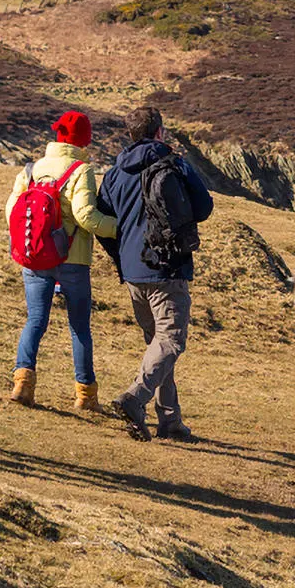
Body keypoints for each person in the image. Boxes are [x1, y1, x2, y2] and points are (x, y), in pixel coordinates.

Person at [96, 106, 212, 441]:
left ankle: (170, 421)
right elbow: (204, 208)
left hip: (133, 271)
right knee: (171, 340)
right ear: (159, 132)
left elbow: (104, 219)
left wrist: (123, 253)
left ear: (129, 134)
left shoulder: (114, 173)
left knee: (157, 344)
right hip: (168, 266)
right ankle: (135, 398)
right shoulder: (173, 164)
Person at [4, 110, 116, 411]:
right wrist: (120, 228)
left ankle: (23, 383)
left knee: (35, 321)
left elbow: (11, 211)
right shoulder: (80, 170)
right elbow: (85, 216)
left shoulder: (32, 168)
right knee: (79, 326)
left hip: (34, 257)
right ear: (84, 140)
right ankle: (85, 395)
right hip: (72, 260)